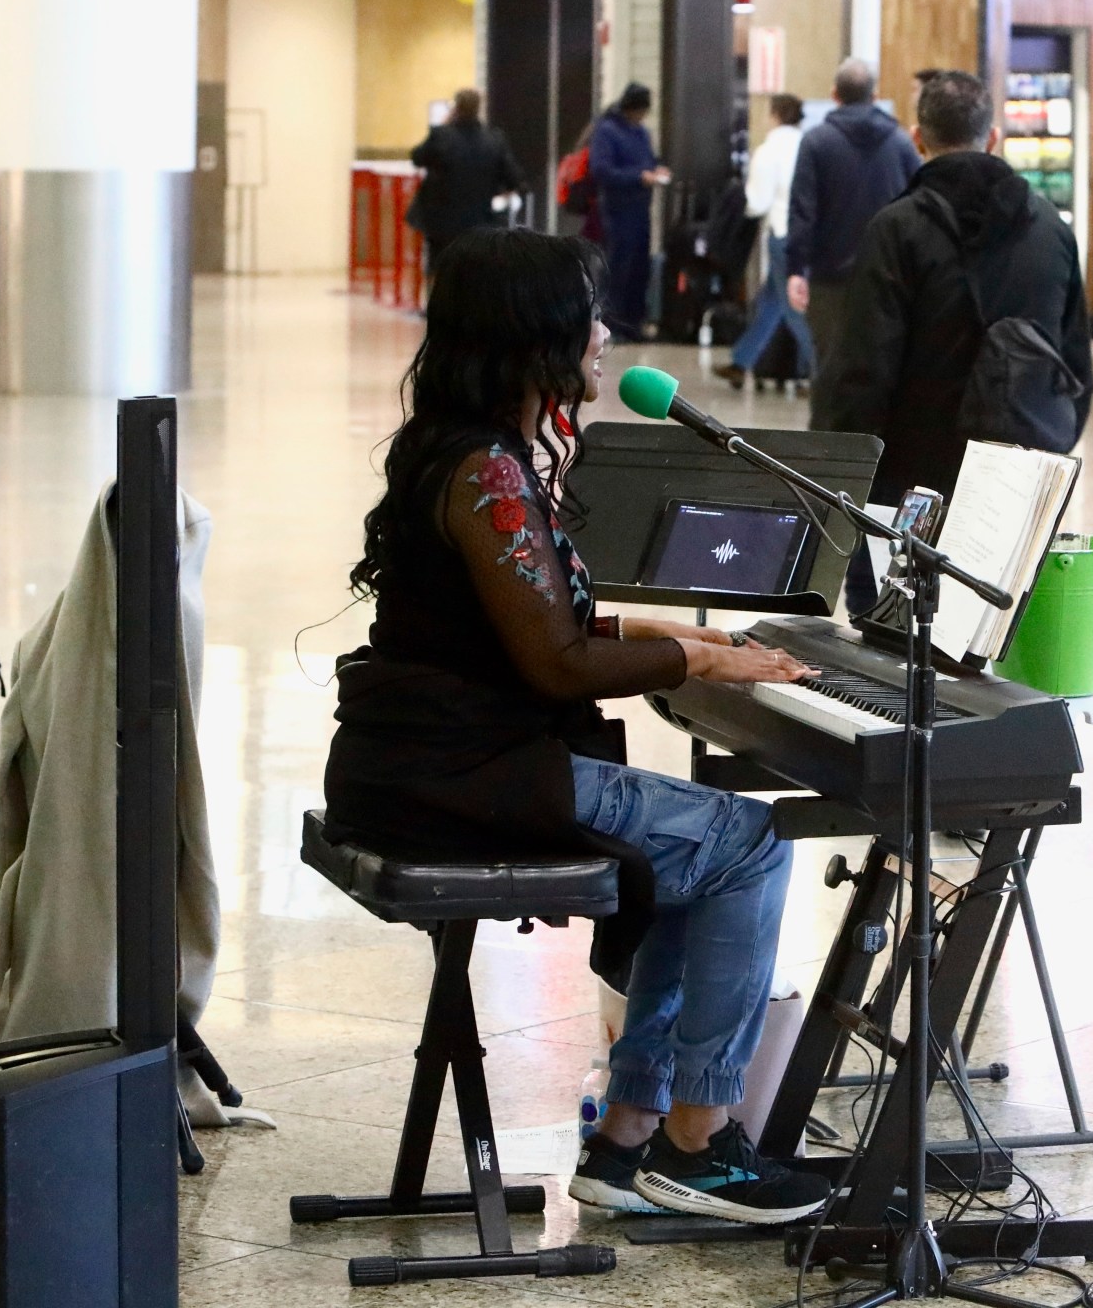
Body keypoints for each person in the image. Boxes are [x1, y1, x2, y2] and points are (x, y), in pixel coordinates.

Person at [323, 228, 834, 1224]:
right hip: (462, 777)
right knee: (752, 845)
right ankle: (699, 1140)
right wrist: (700, 657)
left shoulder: (470, 454)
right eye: (586, 313)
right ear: (534, 337)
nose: (604, 332)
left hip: (430, 766)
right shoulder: (488, 476)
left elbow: (527, 622)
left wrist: (676, 633)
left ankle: (628, 1139)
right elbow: (554, 661)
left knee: (702, 852)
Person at [821, 70, 1093, 614]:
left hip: (908, 488)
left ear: (918, 139)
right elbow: (1076, 371)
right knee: (985, 636)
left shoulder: (895, 230)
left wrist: (844, 480)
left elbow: (862, 373)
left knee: (893, 643)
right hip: (1012, 480)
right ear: (993, 137)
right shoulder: (1051, 230)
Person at [787, 59, 921, 384]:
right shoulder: (901, 143)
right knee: (882, 370)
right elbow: (920, 205)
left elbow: (803, 211)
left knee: (829, 368)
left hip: (829, 278)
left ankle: (827, 434)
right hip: (889, 278)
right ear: (875, 96)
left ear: (834, 94)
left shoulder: (816, 142)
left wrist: (795, 269)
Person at [723, 93, 814, 385]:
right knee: (771, 301)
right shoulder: (809, 144)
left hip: (781, 234)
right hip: (807, 235)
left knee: (792, 309)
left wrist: (737, 204)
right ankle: (741, 360)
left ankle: (821, 371)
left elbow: (758, 202)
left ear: (774, 115)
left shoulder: (769, 150)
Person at [590, 84, 670, 336]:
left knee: (639, 267)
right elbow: (601, 170)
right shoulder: (607, 131)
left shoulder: (640, 132)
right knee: (619, 266)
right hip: (617, 209)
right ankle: (613, 323)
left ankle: (634, 322)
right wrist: (638, 177)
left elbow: (647, 159)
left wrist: (656, 170)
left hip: (640, 208)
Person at [409, 88, 525, 255]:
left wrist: (444, 124)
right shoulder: (494, 140)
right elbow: (514, 179)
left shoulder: (442, 137)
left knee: (442, 268)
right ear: (479, 109)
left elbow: (417, 158)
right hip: (481, 222)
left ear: (456, 108)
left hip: (442, 223)